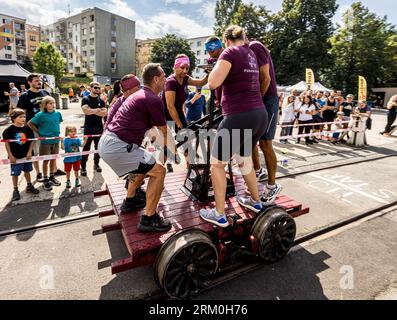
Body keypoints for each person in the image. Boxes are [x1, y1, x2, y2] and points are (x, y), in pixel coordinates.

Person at [199, 25, 268, 227]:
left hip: (239, 115)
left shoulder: (229, 52)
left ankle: (219, 213)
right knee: (244, 158)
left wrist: (213, 70)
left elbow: (212, 83)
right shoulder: (251, 54)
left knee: (216, 163)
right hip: (259, 115)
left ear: (226, 40)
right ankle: (256, 201)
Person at [99, 63, 177, 233]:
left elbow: (153, 132)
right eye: (164, 76)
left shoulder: (139, 95)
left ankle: (131, 199)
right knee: (159, 171)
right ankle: (149, 218)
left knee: (143, 165)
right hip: (118, 146)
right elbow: (164, 133)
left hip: (109, 143)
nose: (166, 79)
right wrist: (174, 150)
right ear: (156, 79)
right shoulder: (152, 99)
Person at [249, 36, 282, 202]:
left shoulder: (255, 46)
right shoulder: (245, 52)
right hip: (259, 100)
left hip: (268, 100)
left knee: (265, 143)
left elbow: (266, 78)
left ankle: (272, 185)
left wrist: (257, 99)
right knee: (251, 141)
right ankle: (257, 171)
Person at [162, 54, 208, 172]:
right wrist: (179, 124)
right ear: (175, 67)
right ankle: (161, 168)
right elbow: (170, 106)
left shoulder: (186, 78)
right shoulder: (170, 82)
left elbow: (201, 82)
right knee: (166, 144)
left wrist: (209, 72)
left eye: (187, 68)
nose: (185, 70)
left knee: (186, 140)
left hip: (177, 112)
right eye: (182, 67)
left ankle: (189, 170)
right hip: (164, 114)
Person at [17, 73, 50, 182]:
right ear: (29, 82)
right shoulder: (24, 96)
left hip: (48, 128)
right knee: (35, 152)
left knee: (48, 152)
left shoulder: (46, 93)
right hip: (33, 129)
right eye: (36, 80)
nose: (39, 82)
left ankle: (50, 173)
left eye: (40, 80)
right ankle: (38, 173)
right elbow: (21, 114)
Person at [3, 109, 40, 201]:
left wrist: (29, 152)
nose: (23, 118)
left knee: (27, 171)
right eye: (20, 117)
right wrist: (10, 155)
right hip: (15, 156)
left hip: (26, 155)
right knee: (15, 173)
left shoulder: (27, 128)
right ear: (14, 118)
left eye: (24, 116)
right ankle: (15, 189)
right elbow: (7, 143)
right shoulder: (8, 130)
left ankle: (29, 186)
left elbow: (31, 141)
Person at [28, 96, 63, 191]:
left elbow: (57, 123)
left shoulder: (58, 114)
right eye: (50, 103)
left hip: (55, 140)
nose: (53, 105)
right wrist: (39, 132)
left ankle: (52, 176)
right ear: (45, 105)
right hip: (45, 142)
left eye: (54, 103)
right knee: (46, 160)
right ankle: (45, 179)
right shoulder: (41, 115)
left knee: (53, 159)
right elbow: (30, 123)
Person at [80, 82, 107, 176]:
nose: (97, 89)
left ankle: (96, 164)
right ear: (90, 88)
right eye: (95, 87)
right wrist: (97, 110)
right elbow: (86, 111)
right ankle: (83, 167)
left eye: (99, 87)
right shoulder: (85, 99)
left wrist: (92, 110)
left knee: (98, 148)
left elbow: (104, 113)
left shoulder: (101, 100)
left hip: (99, 128)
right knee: (86, 148)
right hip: (88, 127)